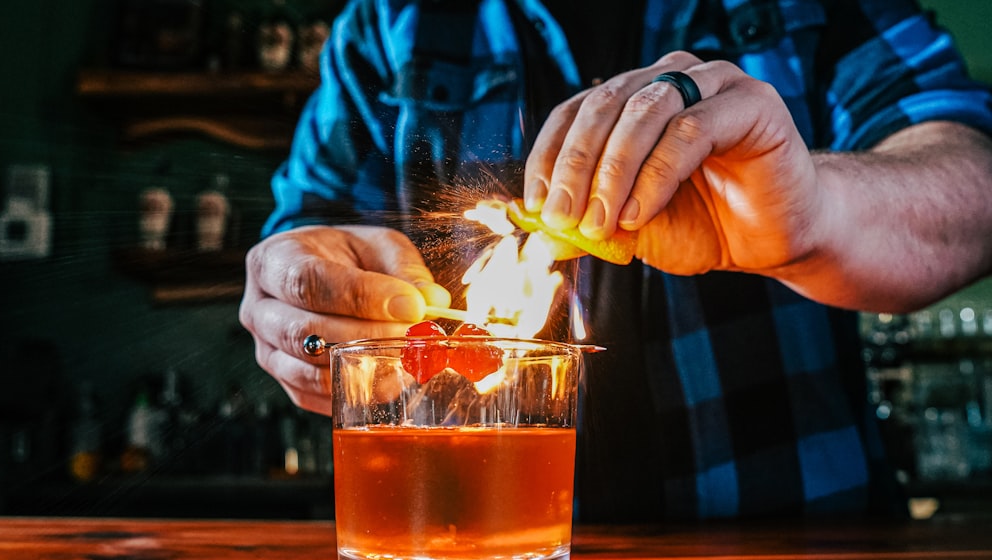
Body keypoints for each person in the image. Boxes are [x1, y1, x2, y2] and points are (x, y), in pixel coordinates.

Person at [239, 0, 992, 522]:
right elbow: (309, 225)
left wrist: (816, 211)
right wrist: (307, 294)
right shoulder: (388, 24)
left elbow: (973, 184)